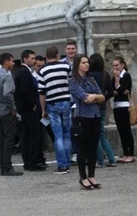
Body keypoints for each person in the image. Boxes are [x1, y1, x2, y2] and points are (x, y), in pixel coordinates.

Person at [68, 55, 105, 190]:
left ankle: (91, 175)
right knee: (83, 148)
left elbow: (102, 97)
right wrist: (95, 97)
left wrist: (95, 96)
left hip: (95, 115)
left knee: (93, 147)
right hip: (83, 117)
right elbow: (84, 98)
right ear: (77, 65)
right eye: (83, 62)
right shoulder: (73, 81)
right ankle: (83, 177)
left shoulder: (91, 79)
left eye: (87, 62)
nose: (87, 64)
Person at [37, 46, 73, 174]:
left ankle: (62, 165)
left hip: (52, 104)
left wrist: (43, 110)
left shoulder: (43, 71)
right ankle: (68, 162)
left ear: (46, 57)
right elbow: (71, 83)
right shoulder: (66, 67)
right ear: (58, 55)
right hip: (66, 102)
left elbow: (41, 93)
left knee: (58, 136)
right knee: (67, 133)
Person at [15, 50, 45, 171]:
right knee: (35, 133)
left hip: (24, 108)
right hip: (27, 108)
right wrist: (32, 104)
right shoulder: (24, 72)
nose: (34, 60)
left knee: (27, 134)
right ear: (25, 59)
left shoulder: (22, 72)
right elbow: (24, 91)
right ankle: (32, 161)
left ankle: (28, 161)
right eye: (32, 58)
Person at [0, 53, 23, 176]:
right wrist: (13, 107)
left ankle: (3, 167)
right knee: (9, 139)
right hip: (6, 110)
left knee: (2, 140)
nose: (13, 63)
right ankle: (8, 167)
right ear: (6, 62)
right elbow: (7, 93)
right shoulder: (6, 76)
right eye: (11, 61)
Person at [88, 53, 116, 168]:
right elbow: (110, 92)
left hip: (91, 107)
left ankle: (100, 161)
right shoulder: (106, 75)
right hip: (102, 107)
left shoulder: (88, 75)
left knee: (95, 136)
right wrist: (103, 100)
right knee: (102, 134)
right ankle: (111, 159)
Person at [111, 57, 135, 163]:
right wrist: (117, 88)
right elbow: (114, 91)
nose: (115, 68)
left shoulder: (126, 76)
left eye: (117, 65)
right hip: (116, 106)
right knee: (121, 130)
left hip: (124, 106)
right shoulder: (114, 78)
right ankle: (125, 153)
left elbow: (124, 91)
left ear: (122, 65)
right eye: (113, 66)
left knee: (126, 130)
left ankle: (131, 154)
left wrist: (117, 81)